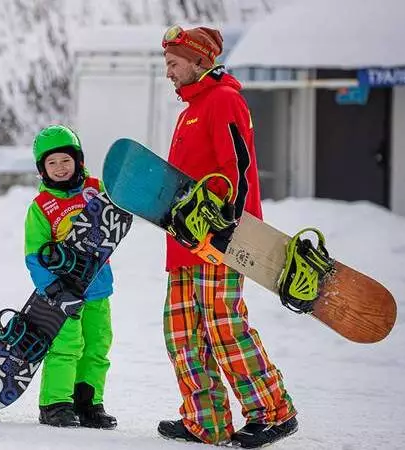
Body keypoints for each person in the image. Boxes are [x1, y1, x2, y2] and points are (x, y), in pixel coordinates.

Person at [155, 25, 298, 448]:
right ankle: (207, 420)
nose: (168, 72)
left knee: (224, 327)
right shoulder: (190, 111)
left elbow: (238, 169)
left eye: (174, 63)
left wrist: (228, 228)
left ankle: (273, 412)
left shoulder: (224, 102)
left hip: (220, 240)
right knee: (181, 331)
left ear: (200, 60)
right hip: (184, 242)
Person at [24, 125, 118, 429]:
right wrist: (52, 288)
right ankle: (55, 403)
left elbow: (119, 218)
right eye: (52, 163)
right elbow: (34, 254)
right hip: (62, 293)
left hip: (98, 286)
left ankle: (89, 403)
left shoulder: (97, 189)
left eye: (66, 160)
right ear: (42, 169)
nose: (60, 168)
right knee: (66, 346)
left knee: (97, 345)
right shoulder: (41, 207)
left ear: (78, 160)